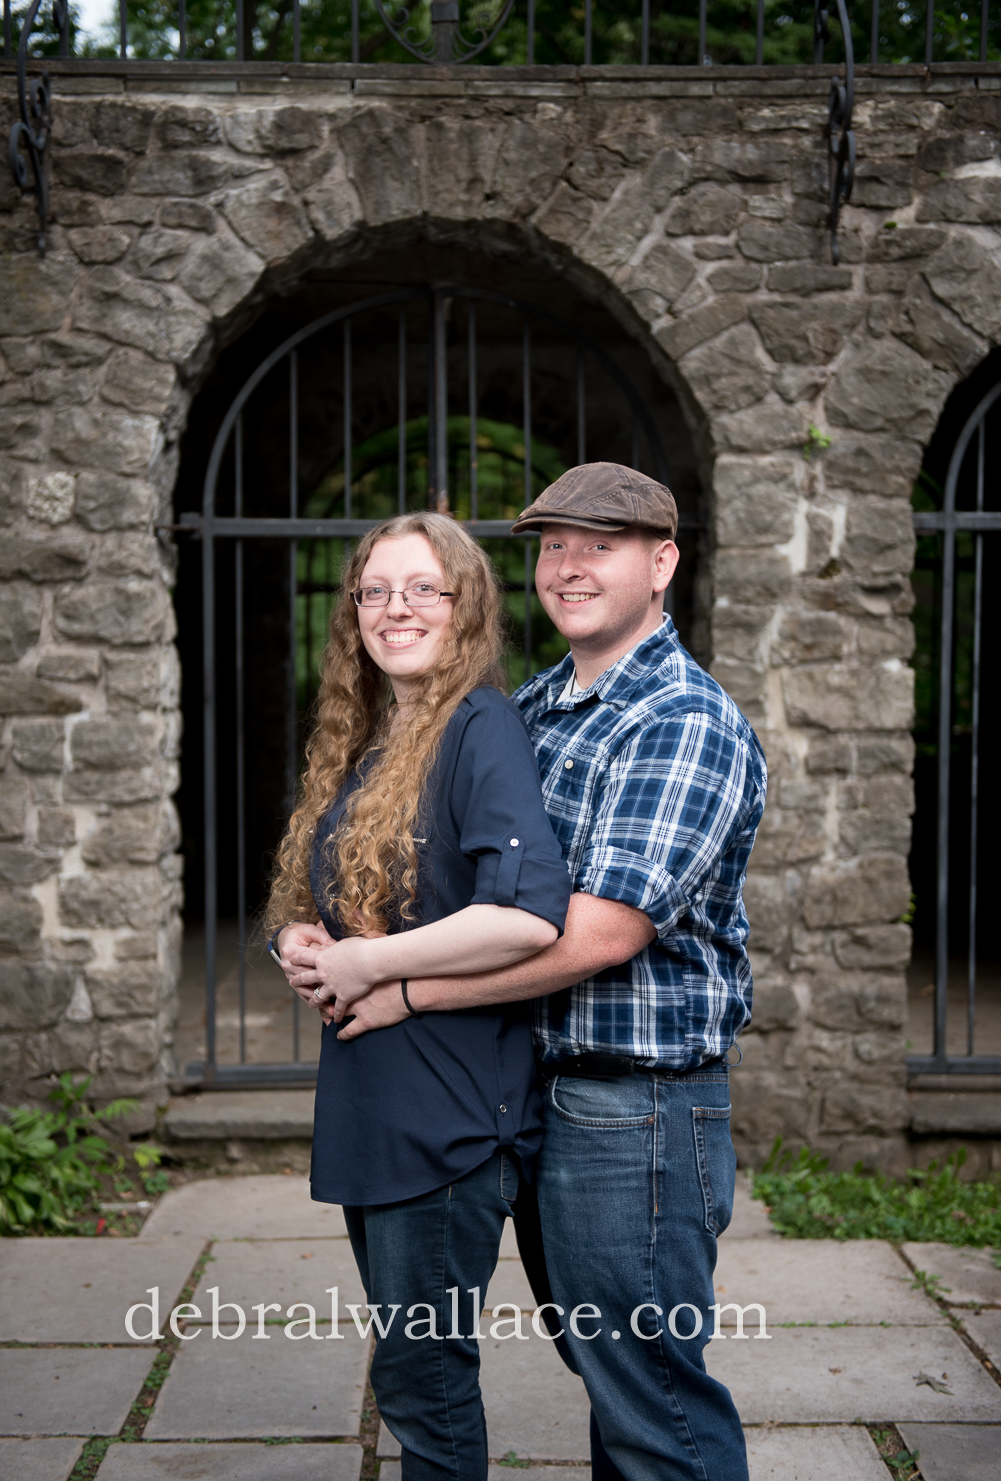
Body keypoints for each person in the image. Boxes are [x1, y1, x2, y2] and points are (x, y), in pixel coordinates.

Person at [329, 465, 768, 1481]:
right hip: (541, 1097)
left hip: (639, 1112)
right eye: (553, 545)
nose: (567, 567)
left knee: (649, 1386)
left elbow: (598, 934)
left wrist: (402, 989)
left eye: (599, 545)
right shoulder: (537, 706)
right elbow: (465, 879)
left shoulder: (680, 720)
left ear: (661, 564)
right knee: (606, 1370)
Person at [266, 511, 571, 1481]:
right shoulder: (369, 738)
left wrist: (373, 967)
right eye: (374, 591)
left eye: (421, 590)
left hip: (447, 1116)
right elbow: (330, 895)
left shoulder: (478, 725)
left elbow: (526, 917)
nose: (395, 609)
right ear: (351, 610)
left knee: (423, 1385)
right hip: (378, 1101)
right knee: (409, 1375)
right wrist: (298, 938)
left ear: (464, 607)